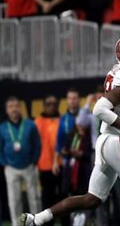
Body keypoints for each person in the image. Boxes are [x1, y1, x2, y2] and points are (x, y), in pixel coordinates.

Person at [20, 32, 120, 226]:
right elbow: (100, 109)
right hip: (119, 142)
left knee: (92, 199)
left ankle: (38, 219)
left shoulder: (119, 71)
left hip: (106, 141)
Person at [0, 97, 42, 226]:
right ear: (7, 110)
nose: (14, 109)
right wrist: (4, 162)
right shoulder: (2, 127)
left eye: (16, 106)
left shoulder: (30, 124)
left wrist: (34, 161)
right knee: (14, 200)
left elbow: (37, 144)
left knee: (34, 198)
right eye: (11, 106)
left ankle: (36, 222)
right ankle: (16, 224)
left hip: (29, 166)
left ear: (21, 108)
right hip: (11, 168)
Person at [34, 95, 60, 226]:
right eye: (49, 104)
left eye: (54, 104)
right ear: (44, 106)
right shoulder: (38, 122)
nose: (52, 106)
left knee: (62, 197)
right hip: (44, 165)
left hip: (61, 165)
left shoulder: (62, 120)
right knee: (47, 198)